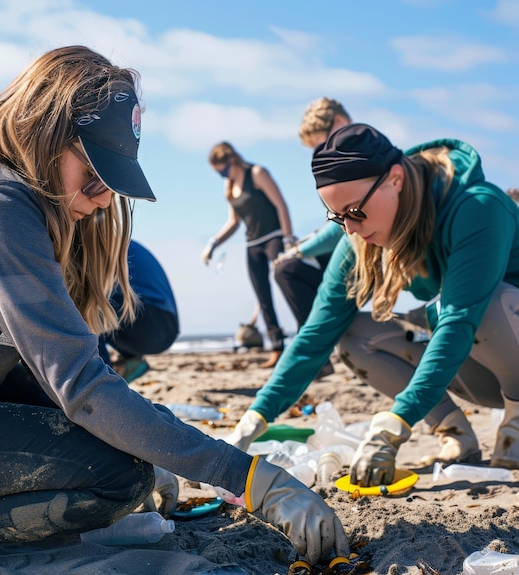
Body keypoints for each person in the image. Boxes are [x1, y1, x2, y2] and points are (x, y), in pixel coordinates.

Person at [0, 45, 349, 575]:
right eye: (92, 172)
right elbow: (82, 388)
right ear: (45, 132)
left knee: (124, 454)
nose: (103, 197)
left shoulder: (1, 185)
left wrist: (157, 444)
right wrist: (249, 479)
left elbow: (40, 377)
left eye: (109, 181)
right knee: (114, 477)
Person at [226, 122, 519, 486]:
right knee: (351, 334)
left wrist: (395, 423)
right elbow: (316, 334)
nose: (349, 228)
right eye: (338, 217)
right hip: (475, 364)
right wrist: (255, 418)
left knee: (487, 304)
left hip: (502, 339)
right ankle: (456, 434)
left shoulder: (478, 206)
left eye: (355, 211)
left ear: (396, 179)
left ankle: (516, 424)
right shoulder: (360, 237)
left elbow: (458, 322)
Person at [203, 142, 296, 368]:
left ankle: (307, 337)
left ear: (231, 160)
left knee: (288, 285)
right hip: (252, 243)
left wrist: (288, 237)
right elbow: (234, 222)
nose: (221, 174)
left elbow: (281, 205)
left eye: (222, 169)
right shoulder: (229, 186)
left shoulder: (256, 173)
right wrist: (213, 243)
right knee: (262, 297)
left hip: (274, 237)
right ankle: (276, 348)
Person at [274, 97, 351, 331]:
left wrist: (300, 251)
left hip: (366, 249)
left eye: (322, 144)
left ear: (339, 121)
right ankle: (317, 337)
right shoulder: (337, 158)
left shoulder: (354, 156)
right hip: (350, 243)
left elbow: (345, 224)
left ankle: (317, 341)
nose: (321, 154)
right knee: (287, 267)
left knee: (287, 268)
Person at [99, 240, 180, 383]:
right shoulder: (120, 238)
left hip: (150, 321)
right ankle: (130, 360)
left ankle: (103, 379)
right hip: (168, 327)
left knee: (86, 302)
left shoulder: (94, 241)